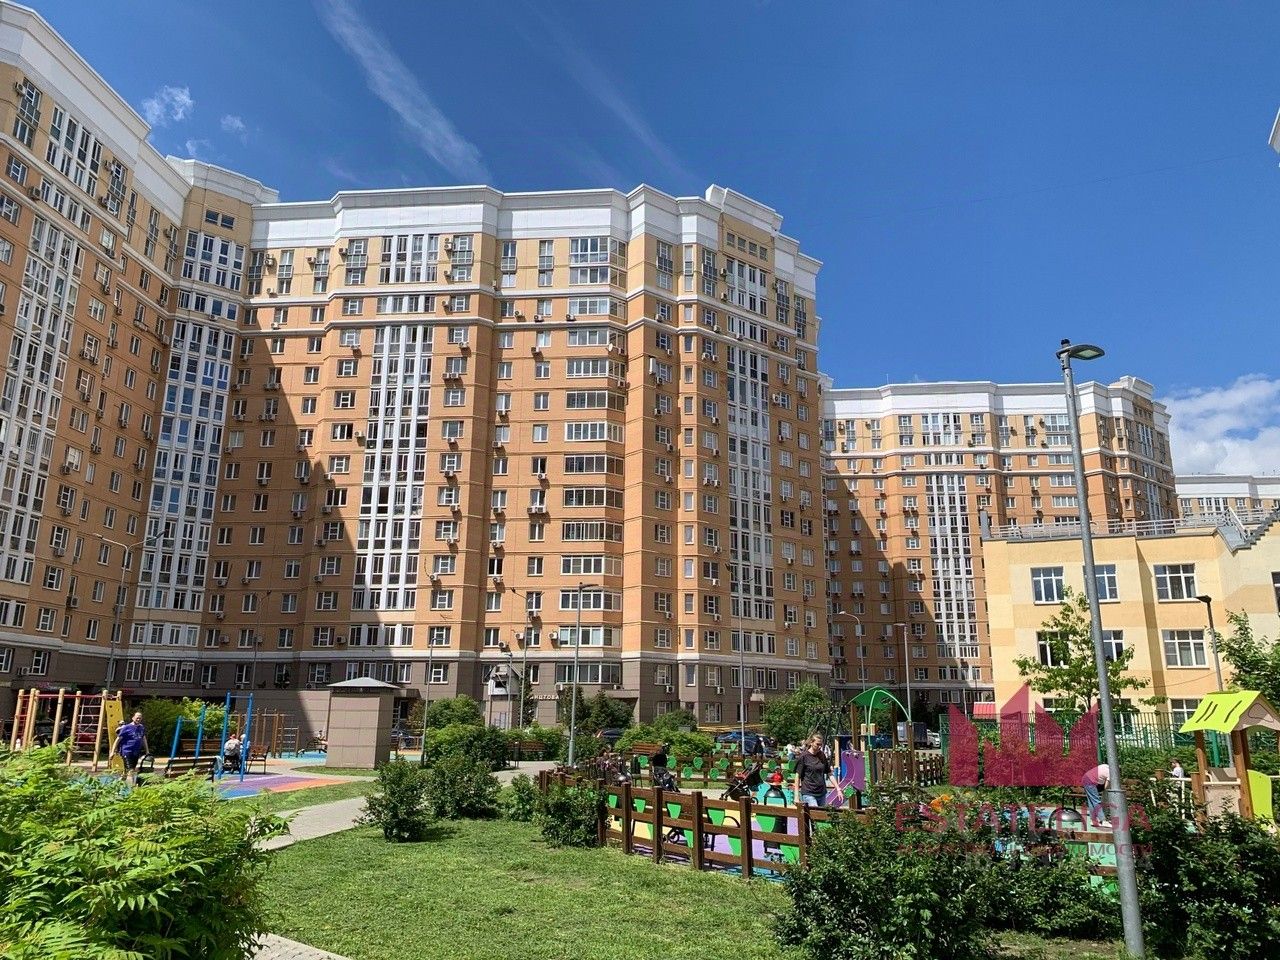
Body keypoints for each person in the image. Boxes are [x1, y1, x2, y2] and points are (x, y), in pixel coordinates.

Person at [793, 734, 838, 808]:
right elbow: (797, 776)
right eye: (817, 744)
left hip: (821, 793)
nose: (819, 747)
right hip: (809, 793)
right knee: (815, 812)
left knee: (822, 814)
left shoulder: (822, 755)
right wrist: (796, 796)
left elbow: (829, 773)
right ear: (811, 742)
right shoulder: (804, 757)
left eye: (821, 745)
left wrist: (838, 788)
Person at [111, 711, 150, 787]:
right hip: (126, 751)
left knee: (128, 771)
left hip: (136, 752)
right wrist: (112, 752)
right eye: (137, 718)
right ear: (133, 718)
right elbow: (117, 740)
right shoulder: (126, 728)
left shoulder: (141, 727)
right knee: (131, 771)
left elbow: (143, 739)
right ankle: (132, 787)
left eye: (140, 718)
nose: (138, 719)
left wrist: (147, 751)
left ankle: (117, 784)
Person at [1083, 762, 1112, 827]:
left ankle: (1094, 821)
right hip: (1091, 782)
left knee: (1091, 801)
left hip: (1085, 778)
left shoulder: (1105, 765)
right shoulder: (1110, 773)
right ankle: (1103, 821)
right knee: (1096, 801)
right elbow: (1105, 787)